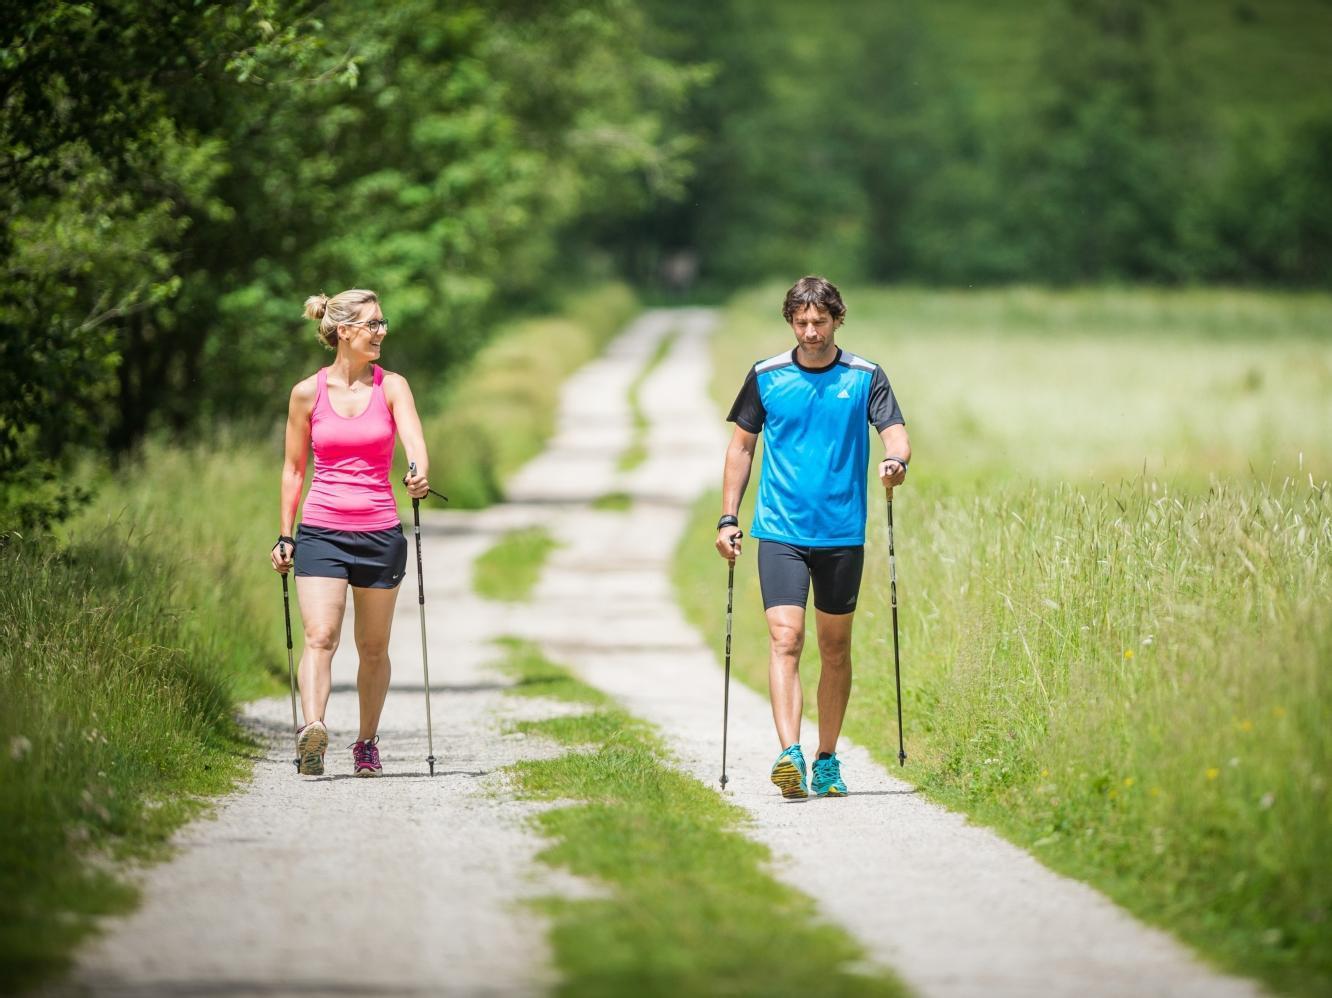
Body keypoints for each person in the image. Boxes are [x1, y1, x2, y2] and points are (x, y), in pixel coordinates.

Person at [716, 276, 910, 799]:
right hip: (780, 530)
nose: (810, 331)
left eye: (819, 321)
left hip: (842, 533)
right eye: (801, 322)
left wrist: (895, 460)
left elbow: (894, 431)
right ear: (790, 321)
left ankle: (826, 758)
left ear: (837, 319)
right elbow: (740, 448)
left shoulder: (865, 376)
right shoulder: (767, 375)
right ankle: (789, 755)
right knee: (786, 639)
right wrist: (728, 518)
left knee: (835, 647)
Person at [270, 288, 431, 777]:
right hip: (321, 531)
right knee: (320, 635)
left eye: (383, 323)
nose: (382, 332)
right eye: (373, 324)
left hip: (381, 532)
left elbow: (415, 445)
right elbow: (294, 470)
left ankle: (365, 743)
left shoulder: (392, 387)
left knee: (373, 648)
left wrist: (418, 473)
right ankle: (312, 731)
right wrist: (285, 534)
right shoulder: (307, 393)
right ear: (344, 331)